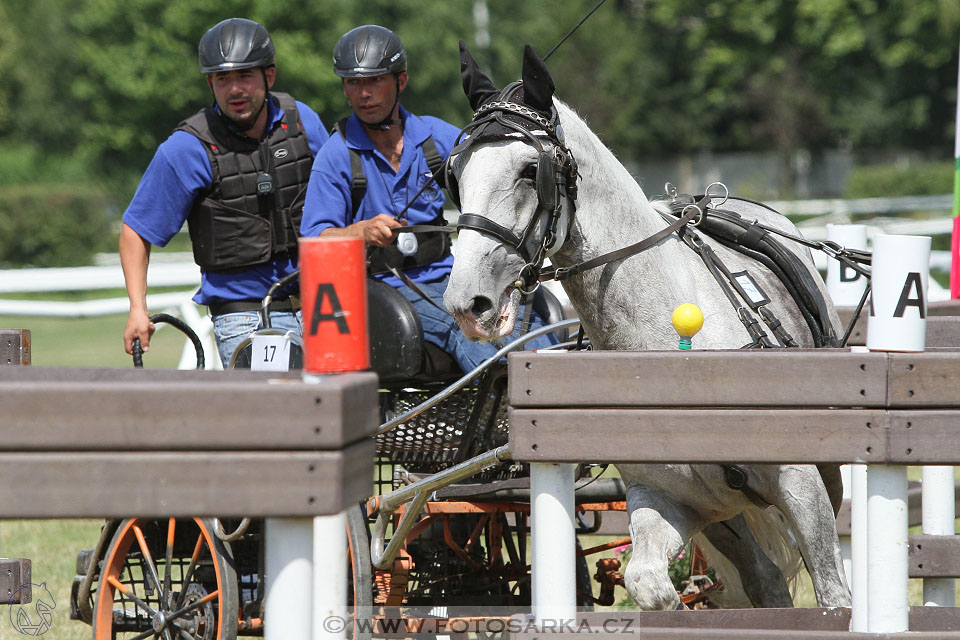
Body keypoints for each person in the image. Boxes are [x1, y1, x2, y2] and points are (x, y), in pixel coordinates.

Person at [301, 24, 557, 374]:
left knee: (532, 313)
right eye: (353, 83)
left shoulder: (436, 137)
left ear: (400, 81)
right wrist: (359, 231)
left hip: (447, 275)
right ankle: (528, 396)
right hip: (380, 290)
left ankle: (559, 386)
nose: (363, 93)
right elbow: (313, 241)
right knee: (464, 319)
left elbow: (496, 170)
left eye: (374, 80)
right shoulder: (335, 154)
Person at [120, 18, 328, 366]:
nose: (235, 89)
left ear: (269, 76)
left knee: (346, 408)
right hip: (245, 316)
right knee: (276, 413)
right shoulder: (188, 148)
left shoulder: (302, 121)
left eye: (245, 76)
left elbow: (340, 199)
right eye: (223, 79)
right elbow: (136, 231)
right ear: (210, 83)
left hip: (322, 305)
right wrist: (138, 310)